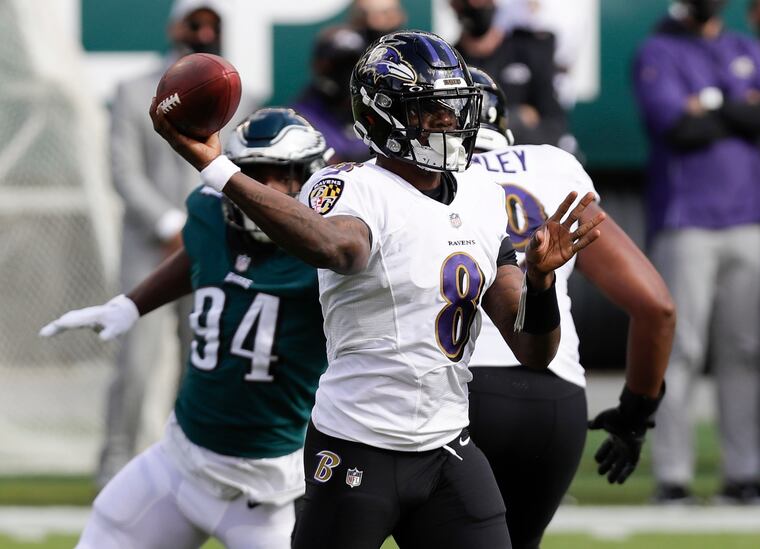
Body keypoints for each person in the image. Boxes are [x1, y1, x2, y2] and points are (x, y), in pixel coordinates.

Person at [150, 30, 605, 549]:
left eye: (454, 106)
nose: (450, 121)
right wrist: (218, 169)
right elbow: (337, 248)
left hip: (446, 445)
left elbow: (533, 351)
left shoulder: (482, 194)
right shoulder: (351, 186)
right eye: (431, 109)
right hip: (357, 445)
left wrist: (541, 283)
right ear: (383, 115)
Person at [40, 108, 330, 549]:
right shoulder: (210, 213)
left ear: (313, 178)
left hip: (267, 489)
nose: (265, 191)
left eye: (283, 176)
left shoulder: (330, 257)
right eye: (254, 175)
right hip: (179, 461)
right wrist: (132, 305)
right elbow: (199, 251)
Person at [466, 66, 674, 549]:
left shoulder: (414, 179)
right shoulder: (551, 166)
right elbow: (656, 306)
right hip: (554, 399)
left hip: (460, 392)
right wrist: (635, 413)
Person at [633, 0, 760, 504]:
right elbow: (679, 128)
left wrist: (708, 103)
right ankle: (673, 475)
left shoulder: (744, 46)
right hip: (686, 222)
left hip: (748, 219)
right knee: (680, 350)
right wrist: (737, 105)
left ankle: (745, 472)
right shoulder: (658, 49)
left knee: (746, 351)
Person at [101, 0, 232, 488]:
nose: (204, 33)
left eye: (212, 24)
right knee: (135, 365)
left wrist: (201, 226)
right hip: (150, 248)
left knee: (201, 363)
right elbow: (123, 171)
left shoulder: (236, 92)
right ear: (175, 26)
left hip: (212, 245)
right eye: (195, 23)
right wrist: (169, 223)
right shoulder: (134, 89)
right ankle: (114, 467)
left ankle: (189, 464)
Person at [450, 0, 568, 147]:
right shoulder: (449, 63)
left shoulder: (528, 50)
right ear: (453, 5)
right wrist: (517, 117)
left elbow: (553, 123)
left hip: (520, 155)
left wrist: (510, 125)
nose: (476, 5)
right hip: (473, 156)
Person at [291, 25, 371, 164]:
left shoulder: (374, 108)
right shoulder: (300, 118)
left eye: (354, 64)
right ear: (318, 65)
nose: (347, 73)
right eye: (340, 64)